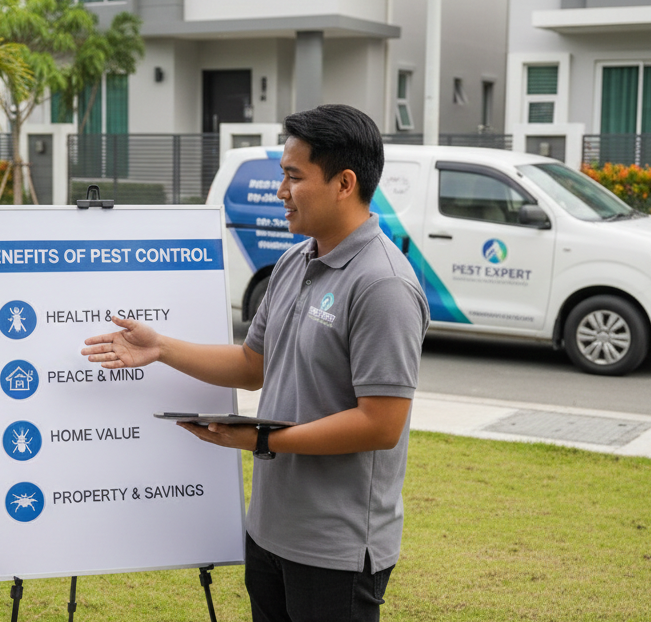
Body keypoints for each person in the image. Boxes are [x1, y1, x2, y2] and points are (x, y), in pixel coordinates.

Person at [82, 104, 429, 621]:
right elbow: (252, 364)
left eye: (294, 176)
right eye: (281, 176)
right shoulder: (295, 261)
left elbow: (381, 423)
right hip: (269, 532)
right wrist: (160, 348)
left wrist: (263, 440)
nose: (280, 191)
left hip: (336, 549)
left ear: (344, 183)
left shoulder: (384, 285)